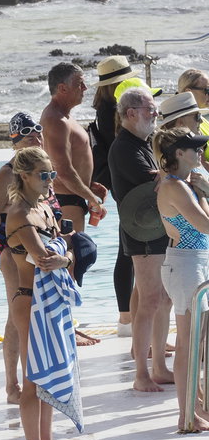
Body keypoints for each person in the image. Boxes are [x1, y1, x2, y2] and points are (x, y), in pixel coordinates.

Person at [5, 147, 84, 440]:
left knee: (49, 377)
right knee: (34, 379)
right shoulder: (20, 213)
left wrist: (63, 256)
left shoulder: (44, 208)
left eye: (51, 174)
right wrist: (65, 257)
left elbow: (62, 254)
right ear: (24, 176)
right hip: (30, 300)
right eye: (43, 175)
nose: (49, 180)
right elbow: (44, 259)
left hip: (49, 301)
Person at [0, 111, 53, 404]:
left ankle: (35, 378)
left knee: (35, 314)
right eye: (27, 135)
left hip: (38, 248)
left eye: (37, 133)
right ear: (15, 142)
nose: (35, 138)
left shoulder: (42, 170)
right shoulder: (8, 172)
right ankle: (13, 385)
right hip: (13, 253)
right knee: (17, 317)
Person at [110, 85, 172, 392]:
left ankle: (158, 366)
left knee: (164, 298)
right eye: (151, 111)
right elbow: (157, 180)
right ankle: (141, 373)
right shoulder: (124, 146)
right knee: (149, 299)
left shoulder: (142, 142)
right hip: (140, 232)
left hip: (153, 228)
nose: (156, 115)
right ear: (131, 114)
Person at [153, 128, 209, 430]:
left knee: (199, 341)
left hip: (198, 263)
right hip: (184, 265)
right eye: (193, 148)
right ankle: (185, 415)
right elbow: (204, 225)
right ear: (178, 153)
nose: (199, 152)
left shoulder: (189, 185)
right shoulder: (173, 186)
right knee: (187, 342)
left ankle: (197, 406)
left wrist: (205, 190)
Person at [91, 56, 137, 337]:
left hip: (119, 185)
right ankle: (126, 317)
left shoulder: (105, 109)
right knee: (128, 250)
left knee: (127, 250)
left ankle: (126, 317)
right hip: (126, 184)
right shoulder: (113, 113)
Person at [41, 62, 107, 237]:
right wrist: (91, 198)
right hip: (65, 202)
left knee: (76, 257)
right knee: (72, 259)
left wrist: (87, 187)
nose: (85, 88)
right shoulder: (57, 120)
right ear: (62, 88)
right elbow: (63, 170)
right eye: (79, 84)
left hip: (71, 198)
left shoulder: (63, 117)